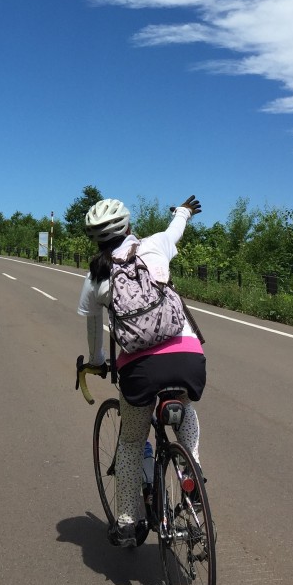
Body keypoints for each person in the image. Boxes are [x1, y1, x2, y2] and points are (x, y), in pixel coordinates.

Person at [77, 195, 206, 547]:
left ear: (96, 238)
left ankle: (126, 521)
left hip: (140, 370)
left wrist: (96, 361)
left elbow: (94, 333)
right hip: (187, 355)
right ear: (128, 226)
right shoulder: (154, 245)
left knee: (132, 441)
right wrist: (183, 211)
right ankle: (191, 471)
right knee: (186, 413)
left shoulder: (96, 277)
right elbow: (175, 229)